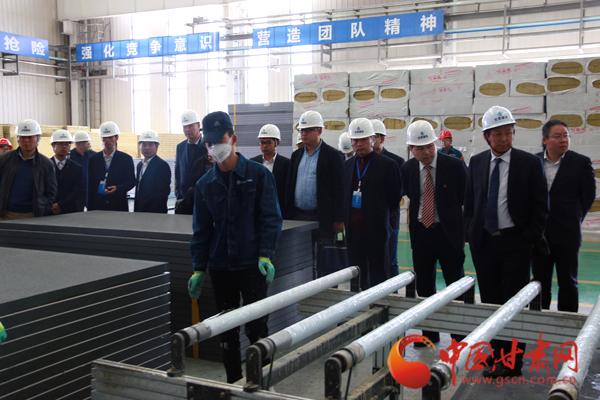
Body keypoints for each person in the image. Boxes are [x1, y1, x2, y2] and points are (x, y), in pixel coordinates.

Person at [188, 111, 282, 383]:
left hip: (252, 265)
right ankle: (233, 384)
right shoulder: (205, 184)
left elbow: (271, 218)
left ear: (233, 139)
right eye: (210, 143)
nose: (215, 147)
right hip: (221, 267)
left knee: (257, 328)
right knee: (226, 331)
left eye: (220, 140)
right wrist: (198, 268)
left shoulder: (258, 175)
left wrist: (266, 254)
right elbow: (201, 230)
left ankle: (261, 384)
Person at [465, 105, 548, 377]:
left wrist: (528, 239)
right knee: (490, 300)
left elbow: (540, 206)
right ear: (487, 136)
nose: (503, 138)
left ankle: (512, 362)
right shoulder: (477, 162)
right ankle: (495, 353)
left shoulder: (529, 163)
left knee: (512, 303)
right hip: (485, 243)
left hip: (515, 243)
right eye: (497, 133)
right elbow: (470, 202)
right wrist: (471, 233)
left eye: (508, 132)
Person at [401, 120, 467, 345]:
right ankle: (429, 334)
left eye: (429, 146)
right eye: (420, 148)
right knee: (424, 285)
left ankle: (459, 335)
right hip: (422, 233)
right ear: (412, 149)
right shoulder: (408, 169)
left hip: (448, 234)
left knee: (455, 284)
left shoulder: (454, 166)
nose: (427, 152)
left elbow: (467, 198)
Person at [532, 120, 595, 312]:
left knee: (568, 281)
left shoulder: (580, 163)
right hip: (539, 235)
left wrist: (574, 217)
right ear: (545, 140)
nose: (563, 140)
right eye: (557, 136)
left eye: (566, 135)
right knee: (539, 283)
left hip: (568, 233)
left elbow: (588, 196)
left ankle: (567, 323)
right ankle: (537, 320)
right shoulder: (533, 162)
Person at [343, 118, 401, 289]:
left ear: (372, 139)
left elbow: (394, 199)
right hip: (354, 231)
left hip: (377, 230)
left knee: (379, 273)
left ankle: (379, 301)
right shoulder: (347, 166)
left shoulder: (388, 165)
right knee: (356, 272)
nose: (358, 144)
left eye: (362, 140)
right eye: (355, 140)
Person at [287, 111, 345, 275]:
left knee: (325, 259)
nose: (303, 134)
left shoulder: (334, 156)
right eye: (301, 130)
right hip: (298, 216)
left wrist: (339, 219)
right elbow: (289, 186)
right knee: (300, 258)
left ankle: (326, 287)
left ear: (319, 130)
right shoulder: (296, 155)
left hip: (323, 217)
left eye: (307, 130)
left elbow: (339, 190)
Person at [0, 119, 56, 220]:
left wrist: (43, 208)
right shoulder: (4, 160)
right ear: (18, 139)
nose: (26, 141)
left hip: (33, 215)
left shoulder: (46, 164)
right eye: (23, 137)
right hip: (6, 214)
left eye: (30, 137)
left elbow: (51, 192)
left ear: (38, 139)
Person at [371, 119, 405, 277]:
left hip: (390, 218)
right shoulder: (362, 161)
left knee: (391, 259)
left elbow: (399, 192)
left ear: (382, 138)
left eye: (374, 137)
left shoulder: (396, 162)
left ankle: (393, 289)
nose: (371, 140)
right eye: (369, 137)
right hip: (368, 219)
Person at [87, 121, 135, 212]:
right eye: (105, 138)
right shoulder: (93, 160)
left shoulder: (126, 159)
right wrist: (90, 209)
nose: (107, 140)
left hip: (118, 206)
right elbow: (90, 185)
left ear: (116, 137)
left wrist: (118, 188)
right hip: (98, 206)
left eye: (110, 137)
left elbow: (131, 181)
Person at [174, 110, 212, 214]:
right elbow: (178, 173)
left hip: (203, 200)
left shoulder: (208, 146)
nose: (187, 129)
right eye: (185, 127)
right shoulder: (180, 147)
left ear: (198, 125)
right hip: (183, 202)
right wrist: (178, 194)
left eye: (190, 126)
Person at [251, 124, 290, 211]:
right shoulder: (253, 163)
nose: (264, 146)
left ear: (277, 143)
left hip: (278, 209)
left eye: (268, 142)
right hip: (257, 210)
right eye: (262, 142)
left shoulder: (286, 164)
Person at [134, 130, 172, 213]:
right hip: (139, 210)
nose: (147, 148)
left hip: (155, 212)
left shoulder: (162, 166)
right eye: (144, 144)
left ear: (157, 146)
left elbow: (163, 192)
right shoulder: (139, 165)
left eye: (150, 144)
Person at [50, 130, 84, 214]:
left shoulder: (77, 168)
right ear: (53, 145)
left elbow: (77, 191)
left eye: (67, 144)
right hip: (49, 210)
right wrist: (51, 205)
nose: (64, 147)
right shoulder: (45, 166)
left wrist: (60, 205)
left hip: (70, 211)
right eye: (61, 144)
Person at [70, 131, 96, 207]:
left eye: (87, 142)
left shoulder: (94, 155)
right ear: (78, 144)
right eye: (86, 142)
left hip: (90, 190)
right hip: (75, 192)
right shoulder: (69, 156)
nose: (89, 144)